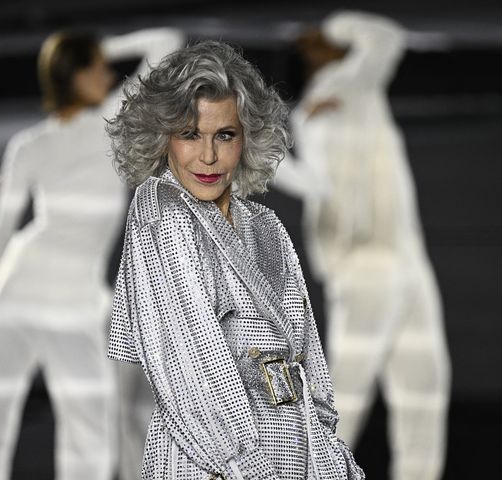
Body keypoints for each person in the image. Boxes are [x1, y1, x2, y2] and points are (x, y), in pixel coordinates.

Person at [105, 40, 365, 480]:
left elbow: (310, 358)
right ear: (161, 136)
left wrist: (330, 455)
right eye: (190, 135)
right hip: (211, 460)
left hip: (296, 449)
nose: (208, 156)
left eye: (224, 135)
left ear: (247, 138)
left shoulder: (265, 225)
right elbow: (186, 371)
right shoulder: (159, 213)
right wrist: (243, 467)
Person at [0, 27, 184, 480]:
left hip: (48, 300)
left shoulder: (89, 124)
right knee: (26, 430)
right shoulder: (53, 137)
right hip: (40, 300)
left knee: (55, 433)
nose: (108, 72)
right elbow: (1, 228)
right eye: (98, 67)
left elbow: (169, 43)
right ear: (76, 77)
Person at [274, 11, 451, 480]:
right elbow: (386, 36)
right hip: (372, 264)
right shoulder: (347, 80)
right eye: (315, 42)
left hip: (397, 260)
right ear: (311, 60)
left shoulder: (319, 104)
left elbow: (315, 184)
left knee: (419, 392)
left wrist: (269, 157)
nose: (329, 40)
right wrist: (337, 26)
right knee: (364, 398)